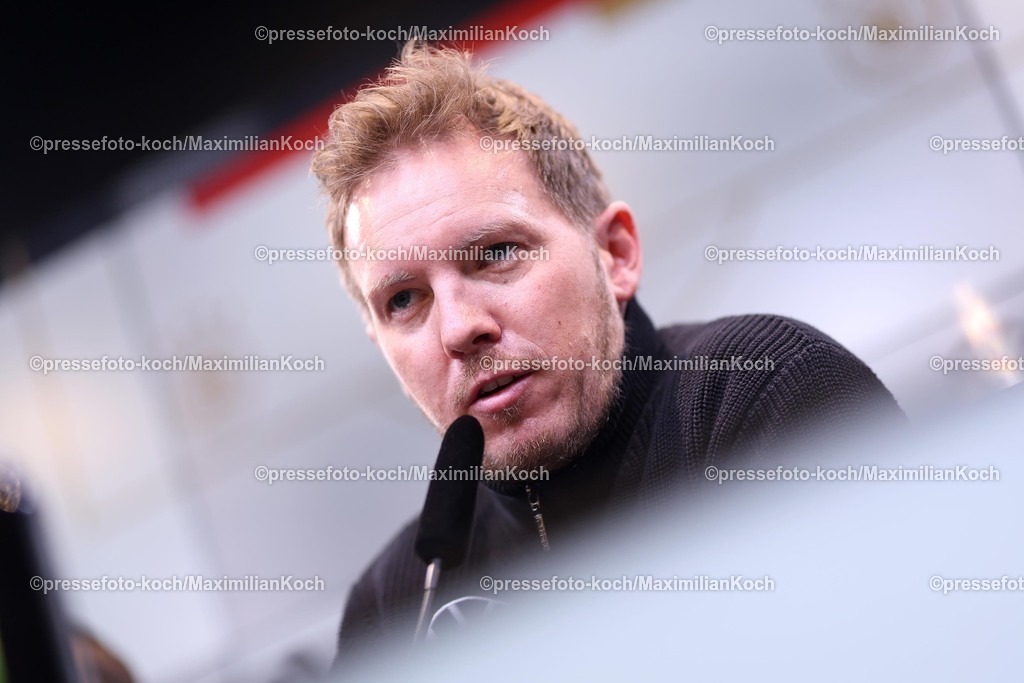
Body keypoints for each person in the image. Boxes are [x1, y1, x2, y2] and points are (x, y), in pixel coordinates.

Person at [310, 41, 903, 664]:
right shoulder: (395, 606)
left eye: (496, 254)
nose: (457, 329)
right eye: (404, 300)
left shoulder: (765, 394)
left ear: (616, 255)